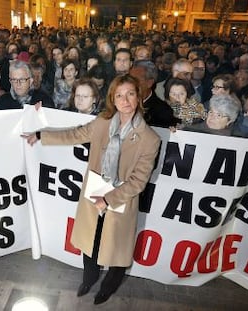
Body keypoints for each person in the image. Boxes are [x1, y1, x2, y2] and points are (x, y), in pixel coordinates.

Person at [22, 74, 161, 305]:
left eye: (130, 94)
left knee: (117, 254)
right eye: (119, 95)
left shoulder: (150, 139)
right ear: (112, 99)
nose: (125, 100)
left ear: (138, 97)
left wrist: (108, 200)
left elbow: (138, 181)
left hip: (119, 203)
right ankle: (88, 279)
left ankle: (107, 288)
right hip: (93, 196)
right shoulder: (102, 123)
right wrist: (40, 135)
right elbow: (74, 134)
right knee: (91, 243)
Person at [129, 60, 179, 128]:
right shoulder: (120, 103)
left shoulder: (163, 112)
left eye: (135, 80)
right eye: (128, 79)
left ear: (149, 83)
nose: (130, 84)